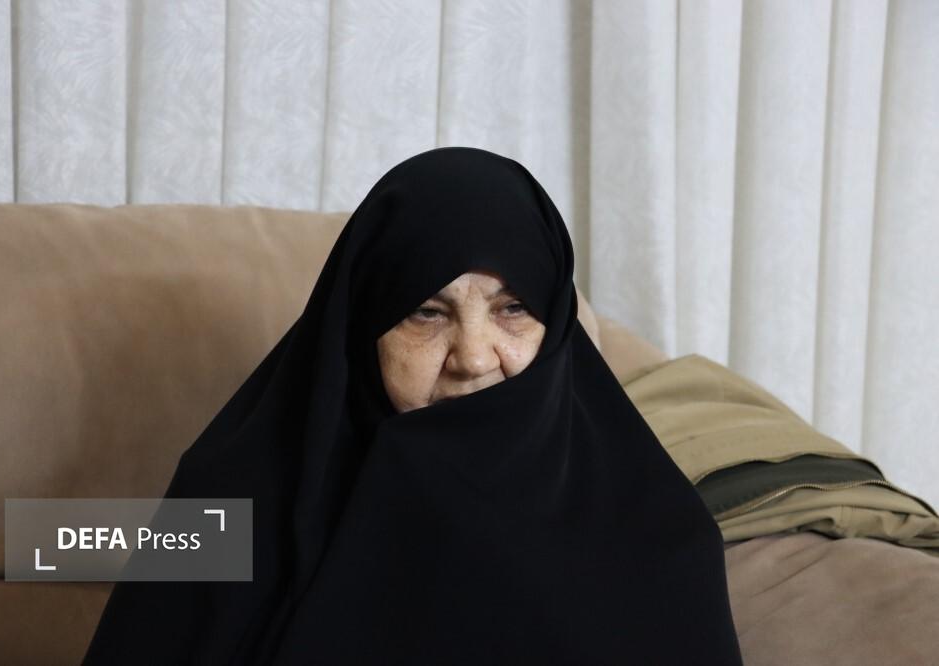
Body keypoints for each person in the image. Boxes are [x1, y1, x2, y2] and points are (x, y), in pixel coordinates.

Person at [84, 147, 743, 664]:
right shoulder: (230, 504)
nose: (474, 357)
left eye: (513, 308)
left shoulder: (658, 539)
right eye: (427, 313)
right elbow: (71, 551)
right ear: (361, 325)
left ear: (558, 325)